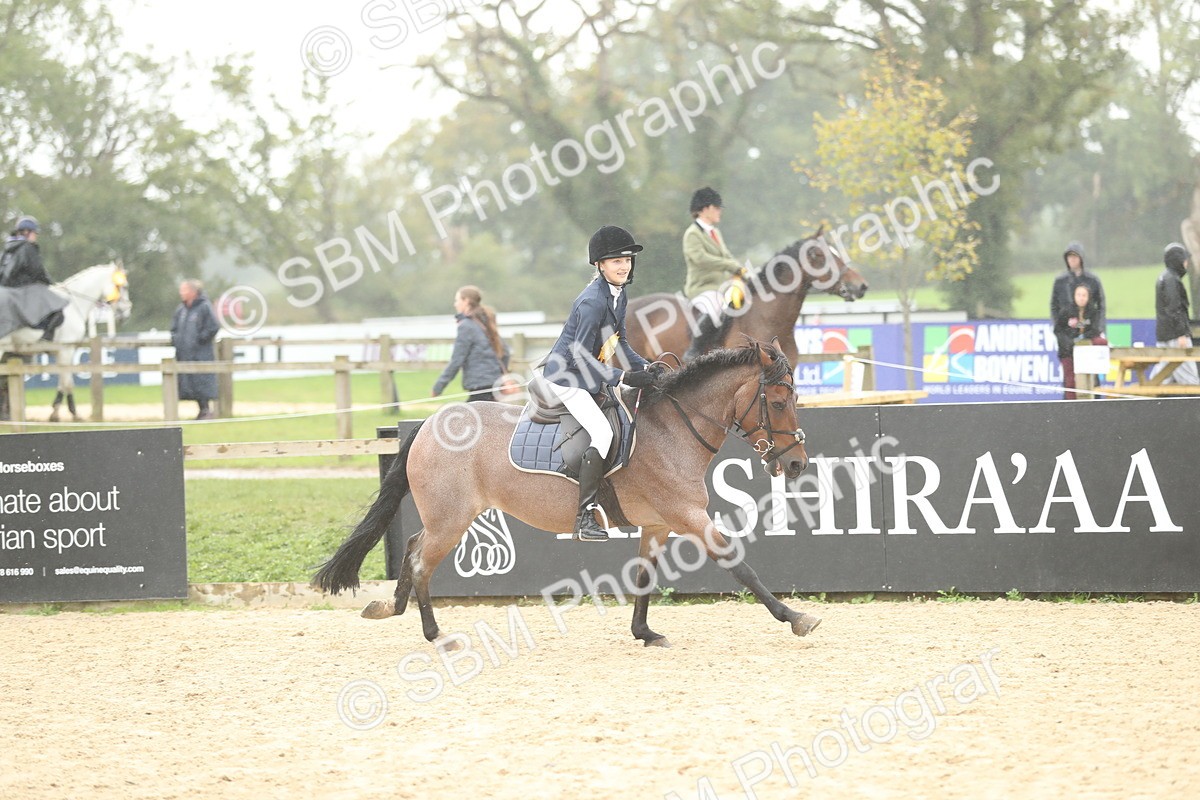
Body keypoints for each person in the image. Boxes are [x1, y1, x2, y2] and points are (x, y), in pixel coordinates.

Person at [543, 225, 662, 542]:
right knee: (603, 432)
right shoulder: (592, 302)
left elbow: (619, 343)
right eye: (616, 261)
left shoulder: (619, 295)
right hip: (567, 377)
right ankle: (584, 518)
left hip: (590, 374)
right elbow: (581, 357)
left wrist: (647, 367)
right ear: (600, 264)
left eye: (627, 260)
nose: (624, 266)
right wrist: (623, 377)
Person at [431, 285, 511, 402]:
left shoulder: (466, 326)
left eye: (457, 300)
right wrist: (500, 375)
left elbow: (457, 360)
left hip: (480, 385)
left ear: (466, 301)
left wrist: (438, 387)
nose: (455, 304)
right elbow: (506, 352)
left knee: (465, 413)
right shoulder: (485, 321)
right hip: (493, 384)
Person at [1050, 241, 1105, 399]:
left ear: (1081, 258)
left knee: (1091, 375)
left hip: (1088, 333)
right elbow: (1054, 307)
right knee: (1070, 379)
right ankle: (1070, 406)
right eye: (1069, 257)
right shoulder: (1060, 281)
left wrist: (1098, 329)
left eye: (1075, 256)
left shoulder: (1092, 280)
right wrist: (1062, 333)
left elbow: (1101, 306)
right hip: (1067, 334)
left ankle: (1095, 403)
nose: (1072, 260)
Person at [683, 187, 745, 325]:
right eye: (716, 208)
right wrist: (730, 266)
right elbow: (701, 259)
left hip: (722, 288)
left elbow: (727, 256)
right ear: (705, 209)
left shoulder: (715, 233)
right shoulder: (692, 234)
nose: (719, 211)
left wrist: (744, 272)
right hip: (703, 289)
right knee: (716, 320)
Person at [0, 216, 65, 341]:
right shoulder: (27, 247)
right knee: (58, 312)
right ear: (27, 232)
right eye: (35, 233)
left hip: (6, 291)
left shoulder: (7, 250)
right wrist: (50, 283)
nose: (36, 236)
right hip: (23, 292)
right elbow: (37, 271)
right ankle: (45, 340)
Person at [170, 279, 221, 420]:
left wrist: (200, 340)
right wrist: (177, 341)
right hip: (184, 354)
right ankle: (202, 410)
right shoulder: (181, 309)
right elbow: (174, 328)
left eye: (184, 290)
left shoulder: (204, 307)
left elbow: (213, 327)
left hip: (201, 354)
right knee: (189, 383)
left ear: (193, 292)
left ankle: (206, 410)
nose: (181, 292)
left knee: (202, 381)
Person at [1153, 243, 1199, 385]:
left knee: (1161, 378)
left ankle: (1145, 396)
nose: (1186, 263)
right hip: (1175, 337)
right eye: (1184, 259)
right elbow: (1174, 309)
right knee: (1190, 380)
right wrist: (1182, 334)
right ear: (1178, 260)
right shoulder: (1172, 280)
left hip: (1165, 335)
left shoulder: (1164, 277)